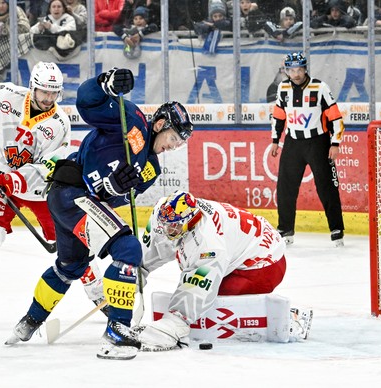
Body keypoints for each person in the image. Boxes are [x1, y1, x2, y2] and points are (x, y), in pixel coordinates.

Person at [5, 68, 194, 361]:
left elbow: (111, 201)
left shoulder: (151, 169)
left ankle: (28, 323)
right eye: (174, 137)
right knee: (129, 248)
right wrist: (104, 82)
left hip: (72, 200)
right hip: (70, 191)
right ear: (159, 124)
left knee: (70, 265)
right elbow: (87, 103)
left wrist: (114, 188)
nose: (174, 146)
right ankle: (116, 334)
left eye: (180, 143)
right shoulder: (132, 120)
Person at [0, 62, 103, 326]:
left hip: (40, 190)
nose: (48, 98)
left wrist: (13, 180)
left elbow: (48, 167)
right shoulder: (9, 95)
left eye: (54, 93)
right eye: (44, 91)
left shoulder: (60, 124)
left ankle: (100, 297)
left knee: (75, 244)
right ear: (32, 87)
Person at [135, 191, 313, 351]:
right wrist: (129, 276)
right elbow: (155, 246)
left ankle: (290, 319)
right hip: (243, 247)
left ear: (191, 221)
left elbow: (200, 285)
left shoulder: (209, 240)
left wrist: (175, 322)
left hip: (265, 263)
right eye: (165, 224)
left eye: (173, 227)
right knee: (204, 296)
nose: (167, 230)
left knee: (214, 299)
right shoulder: (165, 210)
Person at [269, 52, 345, 247]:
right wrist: (275, 140)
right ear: (287, 71)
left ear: (305, 69)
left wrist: (335, 143)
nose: (296, 74)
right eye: (292, 70)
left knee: (326, 186)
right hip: (293, 142)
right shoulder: (283, 88)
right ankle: (285, 229)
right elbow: (278, 116)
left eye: (299, 70)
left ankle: (336, 229)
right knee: (285, 187)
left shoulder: (319, 88)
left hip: (318, 142)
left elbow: (335, 117)